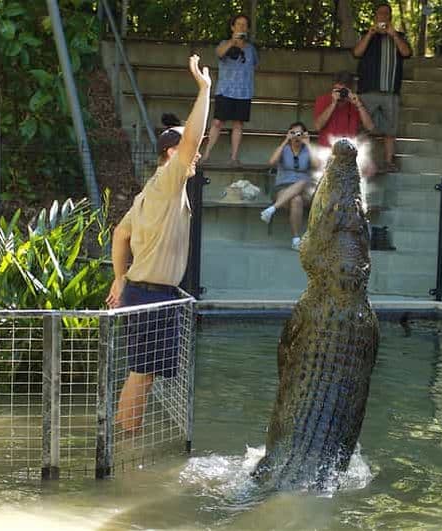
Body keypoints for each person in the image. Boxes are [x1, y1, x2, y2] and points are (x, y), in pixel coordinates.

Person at [107, 55, 211, 433]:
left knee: (143, 375)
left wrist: (120, 278)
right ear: (172, 153)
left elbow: (120, 234)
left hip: (144, 291)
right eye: (188, 148)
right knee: (141, 374)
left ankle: (124, 439)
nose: (197, 153)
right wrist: (205, 89)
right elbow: (195, 139)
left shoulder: (149, 191)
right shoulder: (169, 180)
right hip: (150, 295)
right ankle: (125, 444)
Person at [352, 2, 412, 173]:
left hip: (390, 91)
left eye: (387, 14)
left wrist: (394, 35)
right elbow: (357, 53)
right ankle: (358, 161)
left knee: (390, 129)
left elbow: (406, 52)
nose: (383, 17)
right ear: (375, 17)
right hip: (368, 90)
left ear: (391, 17)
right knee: (362, 128)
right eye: (380, 14)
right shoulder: (366, 34)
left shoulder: (399, 35)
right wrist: (370, 33)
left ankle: (388, 162)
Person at [203, 14, 259, 167]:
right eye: (238, 24)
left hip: (244, 92)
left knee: (238, 124)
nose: (241, 27)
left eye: (244, 25)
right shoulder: (224, 44)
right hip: (225, 90)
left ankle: (234, 158)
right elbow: (220, 53)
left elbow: (254, 64)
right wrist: (232, 42)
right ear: (232, 27)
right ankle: (205, 154)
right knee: (217, 122)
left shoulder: (251, 49)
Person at [260, 122, 317, 251]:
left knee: (302, 183)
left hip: (304, 189)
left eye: (299, 133)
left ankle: (272, 209)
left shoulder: (308, 149)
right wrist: (285, 140)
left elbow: (317, 165)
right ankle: (296, 240)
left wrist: (308, 144)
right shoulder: (284, 149)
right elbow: (271, 162)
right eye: (294, 133)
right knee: (296, 199)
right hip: (283, 187)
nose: (297, 136)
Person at [313, 71, 374, 147]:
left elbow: (370, 127)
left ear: (350, 90)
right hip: (327, 150)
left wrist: (358, 105)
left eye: (343, 91)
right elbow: (317, 127)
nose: (340, 94)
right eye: (337, 90)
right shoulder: (323, 100)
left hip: (349, 152)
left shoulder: (356, 103)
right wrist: (333, 104)